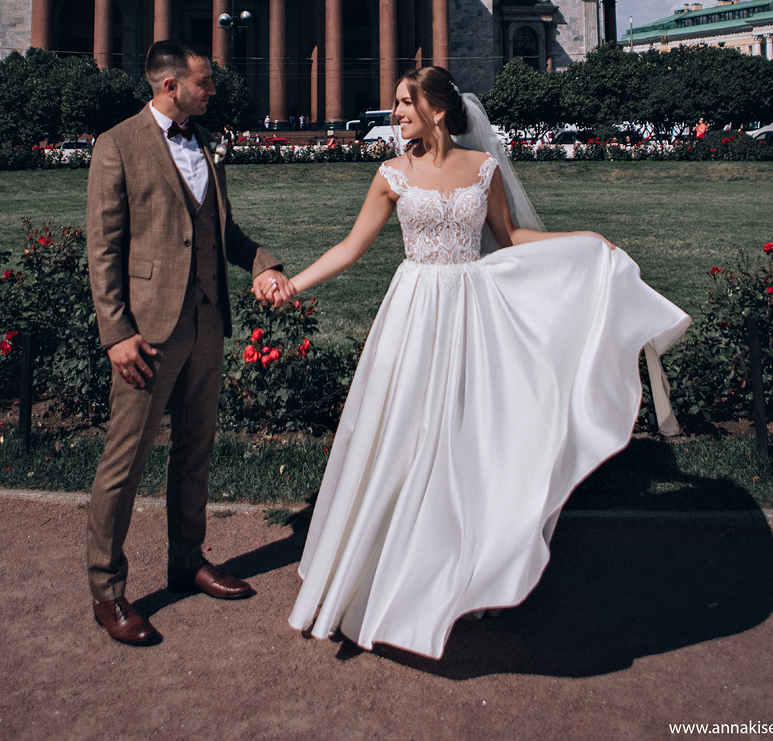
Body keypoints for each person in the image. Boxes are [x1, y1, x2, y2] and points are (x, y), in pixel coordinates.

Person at [271, 66, 690, 660]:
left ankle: (462, 567)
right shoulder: (391, 174)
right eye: (396, 103)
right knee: (401, 437)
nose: (396, 113)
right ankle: (373, 571)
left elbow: (510, 236)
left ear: (438, 110)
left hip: (471, 312)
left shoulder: (483, 168)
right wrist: (293, 285)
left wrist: (585, 241)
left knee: (465, 440)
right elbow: (351, 246)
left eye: (405, 102)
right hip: (414, 313)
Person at [85, 40, 285, 645]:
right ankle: (108, 591)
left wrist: (264, 264)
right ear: (170, 85)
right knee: (125, 461)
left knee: (196, 449)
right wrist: (116, 334)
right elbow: (103, 250)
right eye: (204, 81)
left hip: (206, 323)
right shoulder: (117, 144)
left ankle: (187, 560)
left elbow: (222, 231)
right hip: (146, 333)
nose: (213, 90)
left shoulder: (207, 142)